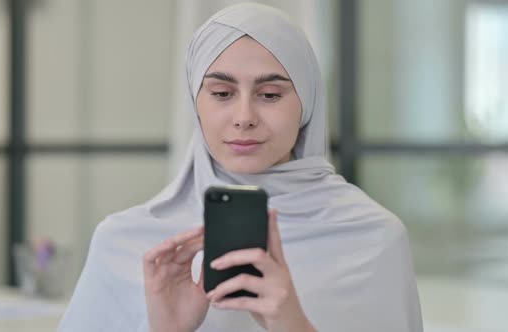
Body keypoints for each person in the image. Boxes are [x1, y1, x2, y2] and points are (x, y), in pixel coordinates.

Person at [59, 3, 423, 332]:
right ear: (195, 103)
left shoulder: (373, 239)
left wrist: (292, 324)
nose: (244, 118)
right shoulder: (126, 241)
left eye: (269, 95)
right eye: (221, 93)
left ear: (307, 103)